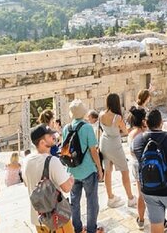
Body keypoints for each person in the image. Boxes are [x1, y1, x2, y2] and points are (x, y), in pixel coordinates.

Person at [133, 109, 167, 233]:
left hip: (148, 189)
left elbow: (136, 159)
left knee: (156, 222)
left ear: (146, 123)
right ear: (161, 122)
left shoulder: (137, 141)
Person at [62, 99, 104, 233]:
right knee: (92, 201)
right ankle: (91, 229)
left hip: (72, 171)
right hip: (87, 170)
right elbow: (93, 151)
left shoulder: (66, 128)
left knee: (74, 201)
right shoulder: (87, 127)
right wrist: (99, 168)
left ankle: (77, 228)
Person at [24, 124, 74, 233]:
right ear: (42, 142)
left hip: (38, 218)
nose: (53, 136)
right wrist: (71, 178)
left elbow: (27, 183)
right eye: (49, 135)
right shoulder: (52, 161)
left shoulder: (26, 161)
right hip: (56, 218)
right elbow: (66, 188)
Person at [99, 93, 136, 208]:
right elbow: (125, 132)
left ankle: (110, 198)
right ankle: (130, 198)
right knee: (124, 171)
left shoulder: (101, 114)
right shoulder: (117, 117)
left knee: (108, 171)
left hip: (104, 143)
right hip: (114, 145)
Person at [127, 106, 147, 229]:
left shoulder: (131, 134)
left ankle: (141, 219)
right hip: (144, 164)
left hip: (134, 164)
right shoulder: (144, 134)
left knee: (140, 193)